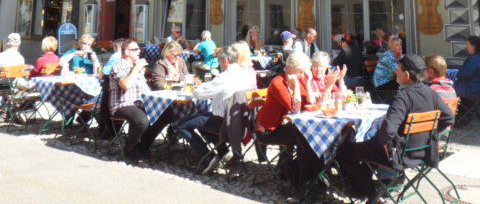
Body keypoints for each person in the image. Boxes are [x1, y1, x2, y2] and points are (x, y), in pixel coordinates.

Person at [336, 55, 454, 203]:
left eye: (397, 70)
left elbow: (387, 131)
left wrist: (385, 147)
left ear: (406, 75)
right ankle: (367, 187)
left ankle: (369, 192)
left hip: (401, 155)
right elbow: (449, 117)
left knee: (344, 150)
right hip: (423, 151)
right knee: (368, 148)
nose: (395, 73)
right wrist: (431, 134)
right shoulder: (430, 92)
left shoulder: (403, 96)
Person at [175, 46, 256, 173]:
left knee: (181, 125)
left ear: (226, 60)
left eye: (219, 60)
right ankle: (223, 151)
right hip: (242, 123)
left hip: (224, 123)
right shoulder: (244, 74)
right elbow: (215, 88)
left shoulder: (225, 76)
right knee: (201, 117)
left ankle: (208, 157)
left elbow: (199, 94)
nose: (219, 63)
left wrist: (195, 86)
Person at [255, 51, 322, 187]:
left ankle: (312, 176)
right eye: (301, 72)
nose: (303, 75)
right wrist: (296, 86)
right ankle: (306, 181)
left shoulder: (299, 78)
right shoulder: (278, 83)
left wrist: (308, 84)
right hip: (267, 130)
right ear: (291, 70)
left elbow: (308, 105)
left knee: (308, 135)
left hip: (282, 125)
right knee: (304, 138)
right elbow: (295, 110)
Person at [109, 38, 166, 161]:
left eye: (138, 49)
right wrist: (137, 67)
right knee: (142, 121)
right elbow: (125, 85)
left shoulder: (137, 66)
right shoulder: (119, 65)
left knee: (165, 114)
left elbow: (151, 73)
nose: (138, 51)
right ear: (126, 52)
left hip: (141, 102)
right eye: (135, 49)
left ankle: (143, 146)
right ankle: (129, 148)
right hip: (123, 104)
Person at [97, 38, 123, 139]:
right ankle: (110, 131)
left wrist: (99, 76)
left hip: (111, 85)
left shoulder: (116, 55)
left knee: (104, 108)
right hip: (123, 87)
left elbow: (104, 72)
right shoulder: (130, 57)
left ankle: (110, 132)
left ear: (116, 47)